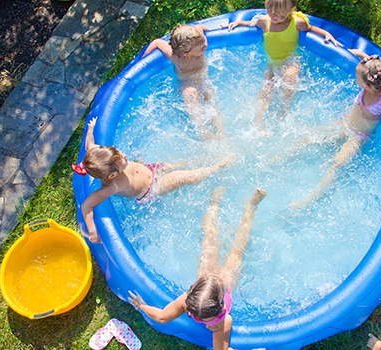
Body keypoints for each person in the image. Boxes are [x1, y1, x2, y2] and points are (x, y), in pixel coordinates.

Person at [285, 49, 381, 209]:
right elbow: (363, 56)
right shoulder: (373, 72)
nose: (355, 77)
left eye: (357, 77)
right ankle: (276, 161)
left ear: (368, 86)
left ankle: (307, 203)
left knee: (336, 166)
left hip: (358, 137)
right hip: (343, 124)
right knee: (308, 139)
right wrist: (348, 50)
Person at [128, 187, 267, 350]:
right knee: (212, 236)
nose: (205, 323)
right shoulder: (193, 305)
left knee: (237, 246)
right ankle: (214, 203)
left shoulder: (221, 319)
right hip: (211, 281)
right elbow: (161, 317)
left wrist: (141, 305)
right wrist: (141, 305)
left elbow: (162, 317)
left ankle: (251, 206)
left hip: (217, 281)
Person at [75, 117, 236, 243]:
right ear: (112, 176)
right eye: (121, 160)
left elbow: (91, 145)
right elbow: (87, 205)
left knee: (181, 164)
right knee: (183, 177)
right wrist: (93, 231)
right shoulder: (111, 187)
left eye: (119, 152)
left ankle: (207, 161)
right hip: (152, 189)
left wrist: (90, 129)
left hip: (151, 169)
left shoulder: (99, 155)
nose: (124, 155)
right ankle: (218, 167)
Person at [224, 0, 341, 133]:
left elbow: (311, 29)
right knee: (266, 90)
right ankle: (259, 123)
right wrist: (238, 23)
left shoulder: (297, 23)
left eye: (279, 14)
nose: (273, 16)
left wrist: (326, 34)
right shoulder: (264, 21)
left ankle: (284, 109)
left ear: (290, 10)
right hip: (272, 64)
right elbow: (251, 24)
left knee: (290, 77)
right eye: (269, 11)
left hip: (290, 61)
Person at [143, 23, 225, 140]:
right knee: (189, 93)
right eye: (201, 47)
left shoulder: (200, 42)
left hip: (202, 82)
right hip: (187, 84)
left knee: (209, 97)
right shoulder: (176, 57)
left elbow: (199, 27)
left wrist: (206, 30)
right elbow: (157, 42)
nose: (205, 47)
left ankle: (221, 131)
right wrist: (144, 59)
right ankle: (201, 129)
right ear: (187, 53)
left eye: (203, 43)